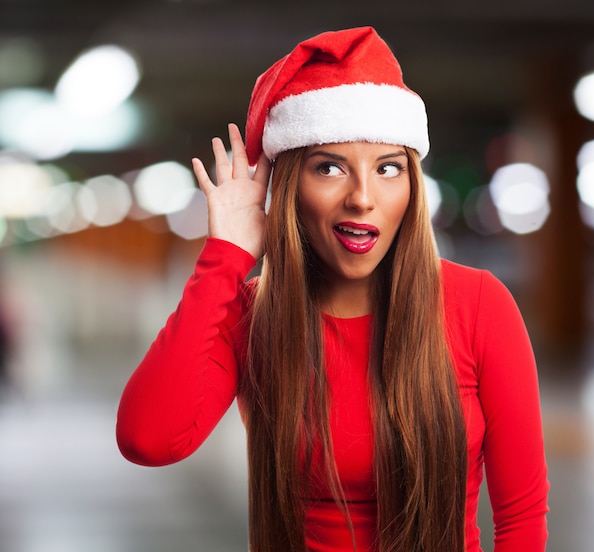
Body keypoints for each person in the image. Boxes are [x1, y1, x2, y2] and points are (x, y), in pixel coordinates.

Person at [116, 26, 549, 552]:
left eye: (388, 168)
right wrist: (225, 258)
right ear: (290, 186)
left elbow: (521, 519)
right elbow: (147, 438)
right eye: (329, 168)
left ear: (411, 186)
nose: (363, 197)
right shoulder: (253, 318)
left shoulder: (478, 304)